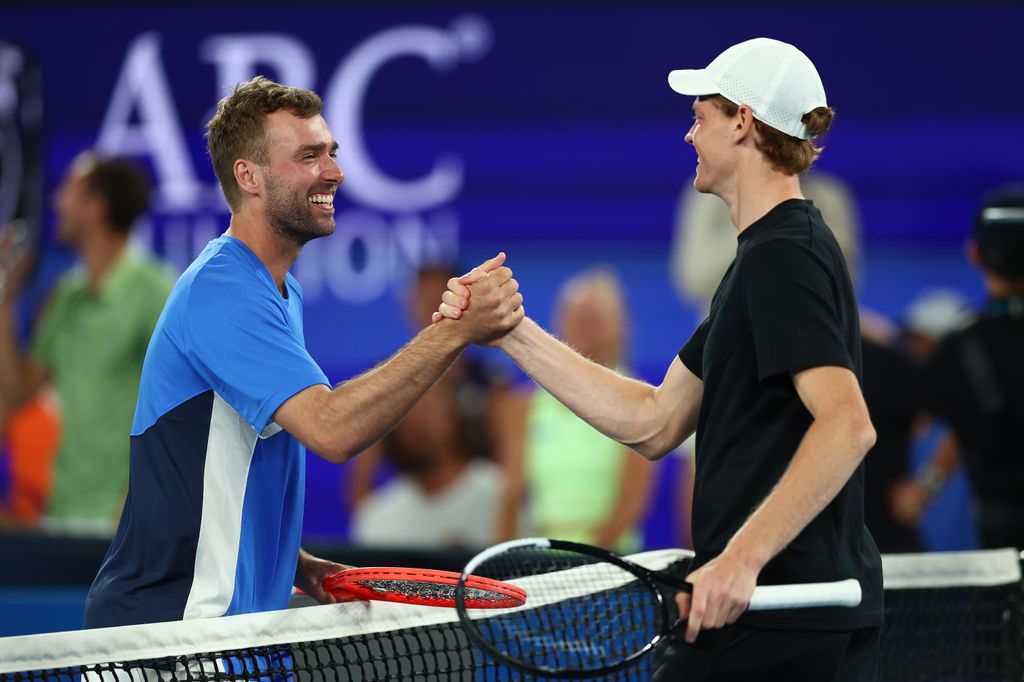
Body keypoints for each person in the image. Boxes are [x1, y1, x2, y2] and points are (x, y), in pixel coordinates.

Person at [437, 38, 881, 680]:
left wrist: (739, 560)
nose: (688, 135)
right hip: (770, 617)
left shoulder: (786, 255)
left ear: (743, 123)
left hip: (784, 624)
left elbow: (847, 425)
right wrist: (510, 331)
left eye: (699, 117)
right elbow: (655, 419)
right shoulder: (760, 260)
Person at [82, 76, 523, 629]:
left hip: (227, 633)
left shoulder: (278, 294)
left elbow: (222, 474)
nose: (335, 171)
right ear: (249, 176)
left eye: (332, 153)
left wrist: (297, 563)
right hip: (170, 632)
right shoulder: (221, 291)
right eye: (309, 156)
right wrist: (454, 331)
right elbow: (331, 429)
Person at [0, 154, 171, 535]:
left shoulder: (156, 293)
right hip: (61, 515)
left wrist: (138, 502)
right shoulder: (65, 298)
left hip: (126, 522)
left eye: (68, 192)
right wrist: (5, 300)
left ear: (96, 208)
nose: (56, 202)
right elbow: (16, 394)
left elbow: (184, 410)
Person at [499, 268, 655, 552]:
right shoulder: (522, 407)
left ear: (618, 328)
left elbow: (632, 502)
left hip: (611, 561)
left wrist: (585, 562)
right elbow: (511, 495)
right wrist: (502, 564)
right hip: (542, 559)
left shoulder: (638, 400)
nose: (584, 328)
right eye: (576, 318)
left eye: (594, 319)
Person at [916, 186, 1024, 550]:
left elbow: (921, 425)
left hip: (1001, 562)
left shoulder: (959, 349)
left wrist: (920, 492)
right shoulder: (959, 347)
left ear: (974, 254)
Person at [350, 377, 505, 549]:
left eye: (429, 408)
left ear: (454, 413)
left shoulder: (503, 494)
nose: (418, 423)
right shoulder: (377, 516)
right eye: (407, 411)